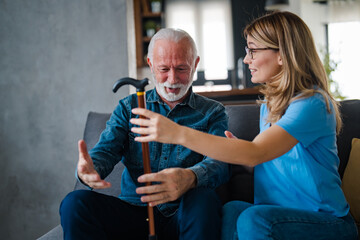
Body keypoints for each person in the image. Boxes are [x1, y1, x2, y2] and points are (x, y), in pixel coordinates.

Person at [130, 11, 358, 240]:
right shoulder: (270, 106)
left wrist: (178, 133)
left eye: (253, 50)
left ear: (282, 54)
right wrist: (237, 152)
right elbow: (268, 157)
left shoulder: (311, 104)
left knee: (253, 219)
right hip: (280, 215)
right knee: (232, 211)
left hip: (326, 223)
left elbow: (256, 153)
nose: (247, 59)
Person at [59, 28, 230, 240]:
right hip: (133, 211)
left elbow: (221, 163)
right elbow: (106, 151)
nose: (172, 78)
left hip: (183, 213)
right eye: (164, 68)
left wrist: (192, 177)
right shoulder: (128, 107)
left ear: (195, 64)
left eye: (182, 68)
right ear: (150, 64)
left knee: (204, 200)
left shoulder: (213, 112)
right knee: (74, 203)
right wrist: (90, 169)